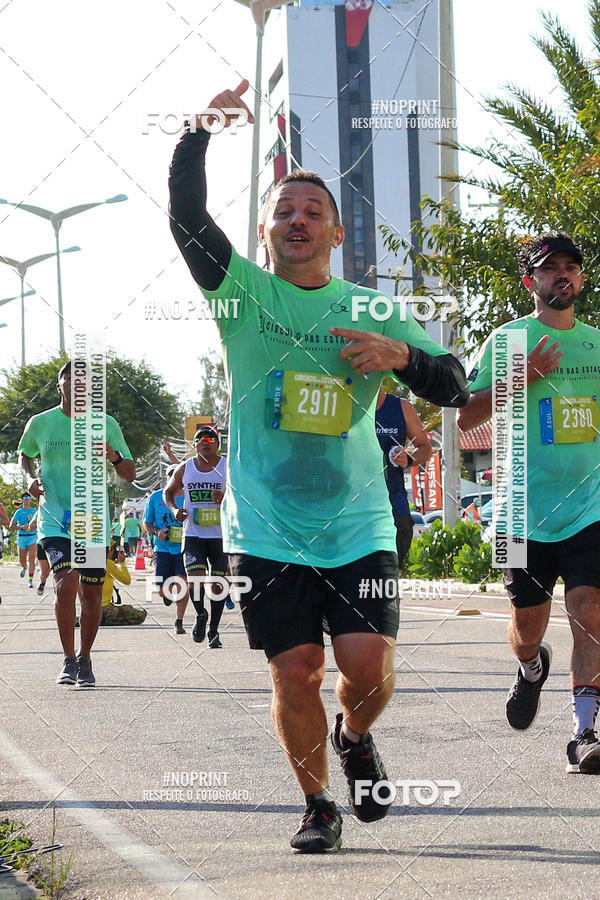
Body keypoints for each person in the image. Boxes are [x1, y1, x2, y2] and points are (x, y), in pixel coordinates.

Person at [168, 80, 469, 852]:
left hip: (358, 520)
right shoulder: (239, 293)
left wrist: (403, 355)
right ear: (265, 235)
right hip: (265, 526)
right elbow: (186, 218)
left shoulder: (371, 310)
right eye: (282, 212)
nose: (296, 219)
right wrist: (198, 131)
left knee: (365, 669)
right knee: (293, 672)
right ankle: (317, 806)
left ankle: (356, 735)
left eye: (312, 212)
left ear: (337, 236)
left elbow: (456, 385)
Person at [458, 232, 600, 775]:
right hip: (519, 512)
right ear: (531, 281)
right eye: (550, 268)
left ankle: (585, 731)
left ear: (581, 279)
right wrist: (524, 378)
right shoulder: (507, 341)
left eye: (571, 267)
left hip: (590, 507)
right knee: (528, 628)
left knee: (590, 610)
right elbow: (467, 417)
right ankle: (530, 667)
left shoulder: (595, 342)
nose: (562, 274)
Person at [17, 360, 135, 687]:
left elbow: (130, 473)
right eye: (71, 380)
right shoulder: (40, 423)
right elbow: (24, 454)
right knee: (65, 582)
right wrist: (29, 478)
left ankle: (85, 657)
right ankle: (68, 659)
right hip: (55, 518)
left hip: (91, 521)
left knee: (92, 594)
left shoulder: (105, 424)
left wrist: (113, 456)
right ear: (60, 387)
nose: (77, 386)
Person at [164, 427, 229, 648]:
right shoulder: (185, 468)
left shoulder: (227, 467)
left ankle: (214, 631)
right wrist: (174, 510)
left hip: (221, 537)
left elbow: (243, 494)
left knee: (219, 584)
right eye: (199, 439)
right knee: (196, 579)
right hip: (193, 535)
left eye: (209, 438)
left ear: (217, 443)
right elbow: (168, 492)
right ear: (194, 445)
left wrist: (227, 498)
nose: (204, 442)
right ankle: (201, 614)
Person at [375, 391, 433, 567]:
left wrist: (408, 459)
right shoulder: (345, 402)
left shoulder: (401, 407)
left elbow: (425, 448)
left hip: (394, 506)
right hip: (353, 508)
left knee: (388, 577)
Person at [144, 464, 189, 635]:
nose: (176, 479)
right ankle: (167, 595)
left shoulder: (188, 497)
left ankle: (179, 620)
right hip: (162, 549)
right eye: (172, 476)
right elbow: (146, 523)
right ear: (167, 479)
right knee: (163, 590)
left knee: (182, 583)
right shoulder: (156, 498)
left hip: (184, 548)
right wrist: (157, 532)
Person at [100, 543, 146, 625]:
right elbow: (127, 580)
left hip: (92, 606)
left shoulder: (99, 562)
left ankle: (103, 619)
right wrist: (122, 563)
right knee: (139, 616)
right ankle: (105, 619)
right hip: (104, 607)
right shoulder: (107, 563)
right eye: (114, 550)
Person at [9, 493, 37, 588]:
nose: (26, 499)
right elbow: (11, 526)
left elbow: (39, 523)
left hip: (33, 537)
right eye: (24, 498)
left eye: (28, 497)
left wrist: (31, 527)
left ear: (30, 499)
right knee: (22, 560)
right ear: (22, 500)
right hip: (22, 537)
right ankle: (24, 567)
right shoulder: (19, 512)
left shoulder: (35, 511)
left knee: (32, 559)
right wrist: (21, 527)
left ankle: (30, 580)